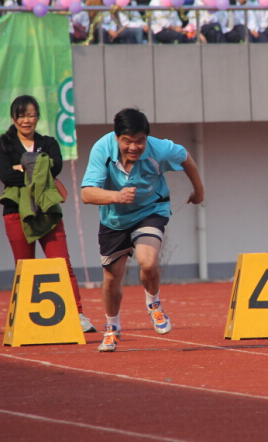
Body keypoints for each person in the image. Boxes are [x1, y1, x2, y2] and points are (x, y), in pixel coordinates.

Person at [81, 109, 205, 352]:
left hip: (150, 210)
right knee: (111, 279)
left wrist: (199, 192)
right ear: (117, 137)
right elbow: (87, 194)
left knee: (147, 261)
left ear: (147, 138)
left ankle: (154, 305)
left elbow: (185, 157)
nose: (134, 147)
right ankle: (112, 328)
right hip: (114, 219)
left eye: (140, 141)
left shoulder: (160, 149)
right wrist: (117, 196)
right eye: (127, 141)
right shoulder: (101, 150)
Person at [0, 96, 96, 333]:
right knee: (24, 267)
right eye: (21, 116)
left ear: (38, 117)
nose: (26, 120)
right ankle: (27, 319)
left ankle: (77, 314)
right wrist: (39, 167)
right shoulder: (5, 144)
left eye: (31, 115)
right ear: (13, 118)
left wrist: (23, 167)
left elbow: (56, 167)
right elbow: (5, 175)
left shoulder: (48, 142)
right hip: (16, 211)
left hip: (48, 210)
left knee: (61, 263)